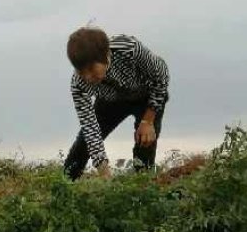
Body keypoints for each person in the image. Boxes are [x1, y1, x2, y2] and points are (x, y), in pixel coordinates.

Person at [63, 27, 169, 180]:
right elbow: (90, 129)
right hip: (111, 102)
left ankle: (143, 187)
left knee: (145, 143)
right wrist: (104, 172)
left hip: (147, 96)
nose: (87, 77)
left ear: (105, 55)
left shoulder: (127, 47)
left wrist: (148, 120)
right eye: (81, 72)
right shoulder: (78, 84)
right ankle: (65, 188)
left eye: (92, 69)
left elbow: (161, 75)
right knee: (83, 145)